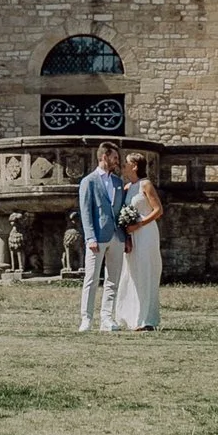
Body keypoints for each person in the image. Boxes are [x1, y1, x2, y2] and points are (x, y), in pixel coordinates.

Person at [75, 142, 126, 333]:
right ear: (104, 157)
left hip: (117, 237)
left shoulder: (118, 183)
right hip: (97, 237)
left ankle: (107, 318)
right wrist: (90, 237)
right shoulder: (89, 181)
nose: (117, 161)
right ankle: (86, 319)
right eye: (114, 157)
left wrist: (125, 237)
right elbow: (85, 211)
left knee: (113, 279)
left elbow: (120, 211)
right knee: (91, 279)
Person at [112, 150, 163, 331]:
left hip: (146, 233)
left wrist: (140, 223)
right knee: (131, 273)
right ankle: (130, 315)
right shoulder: (127, 188)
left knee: (145, 270)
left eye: (126, 163)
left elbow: (158, 210)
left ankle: (146, 319)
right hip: (132, 235)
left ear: (134, 166)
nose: (124, 166)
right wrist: (127, 235)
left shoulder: (146, 185)